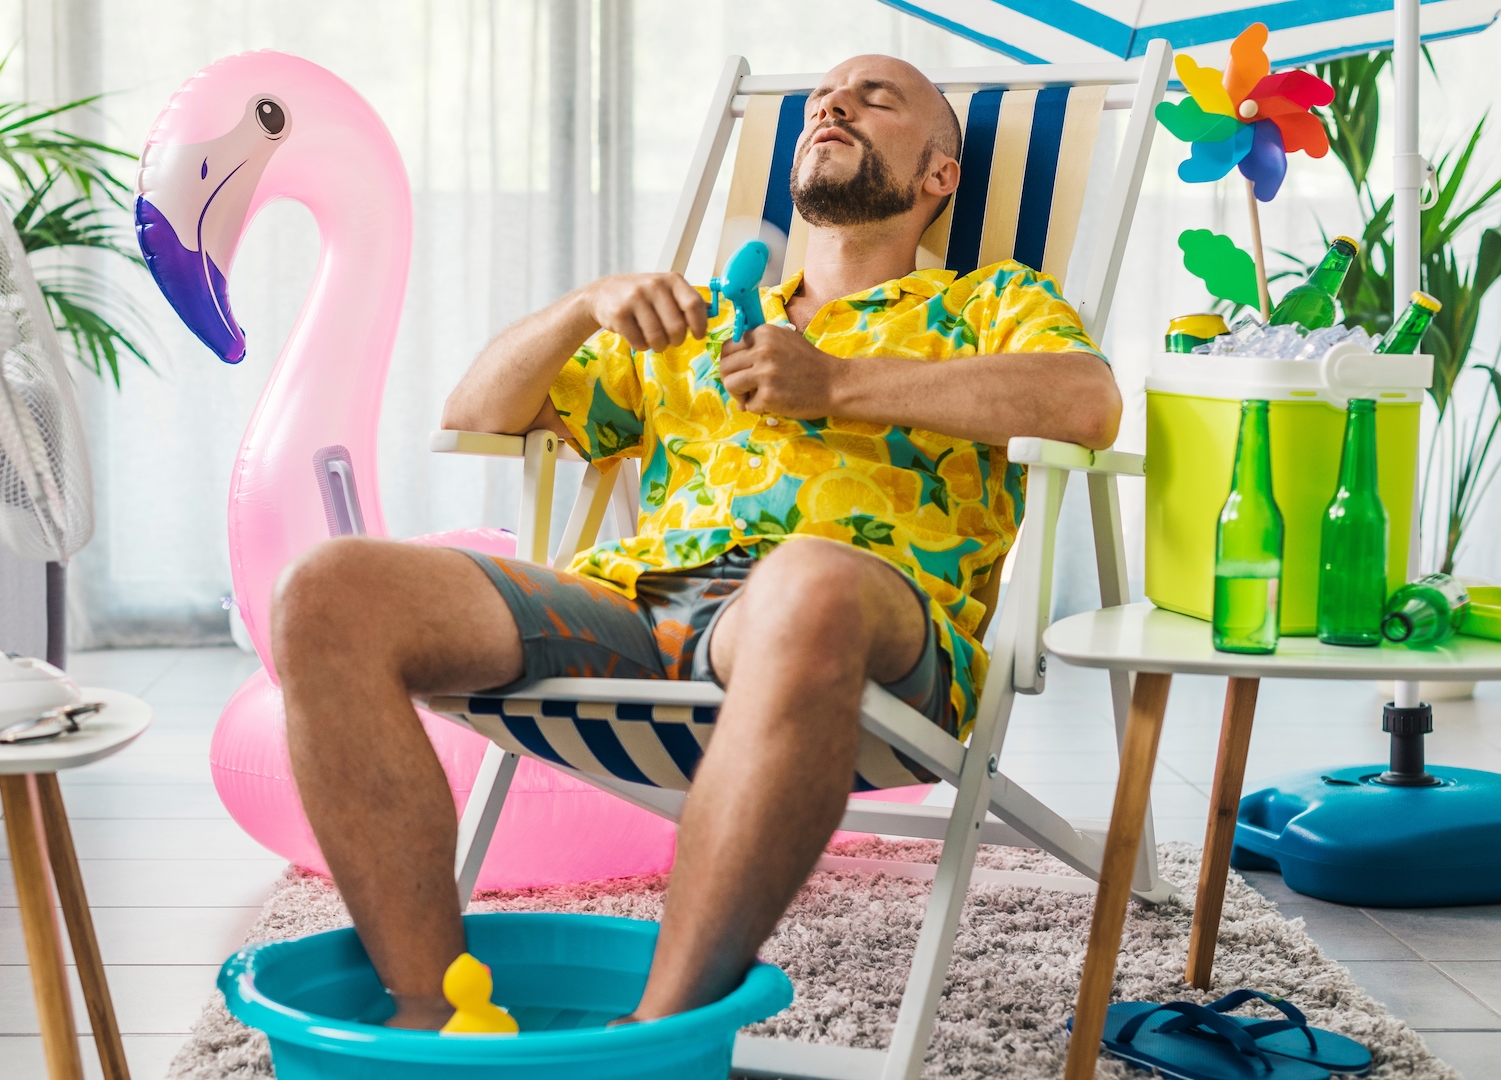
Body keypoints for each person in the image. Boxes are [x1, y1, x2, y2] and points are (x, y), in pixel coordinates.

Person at [271, 53, 1121, 1029]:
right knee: (327, 591)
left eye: (874, 99)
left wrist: (835, 383)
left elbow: (1086, 402)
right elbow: (477, 409)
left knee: (804, 586)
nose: (833, 104)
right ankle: (434, 1018)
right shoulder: (705, 319)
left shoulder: (984, 304)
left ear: (939, 177)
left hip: (859, 615)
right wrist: (581, 308)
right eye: (820, 100)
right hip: (655, 605)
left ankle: (655, 1041)